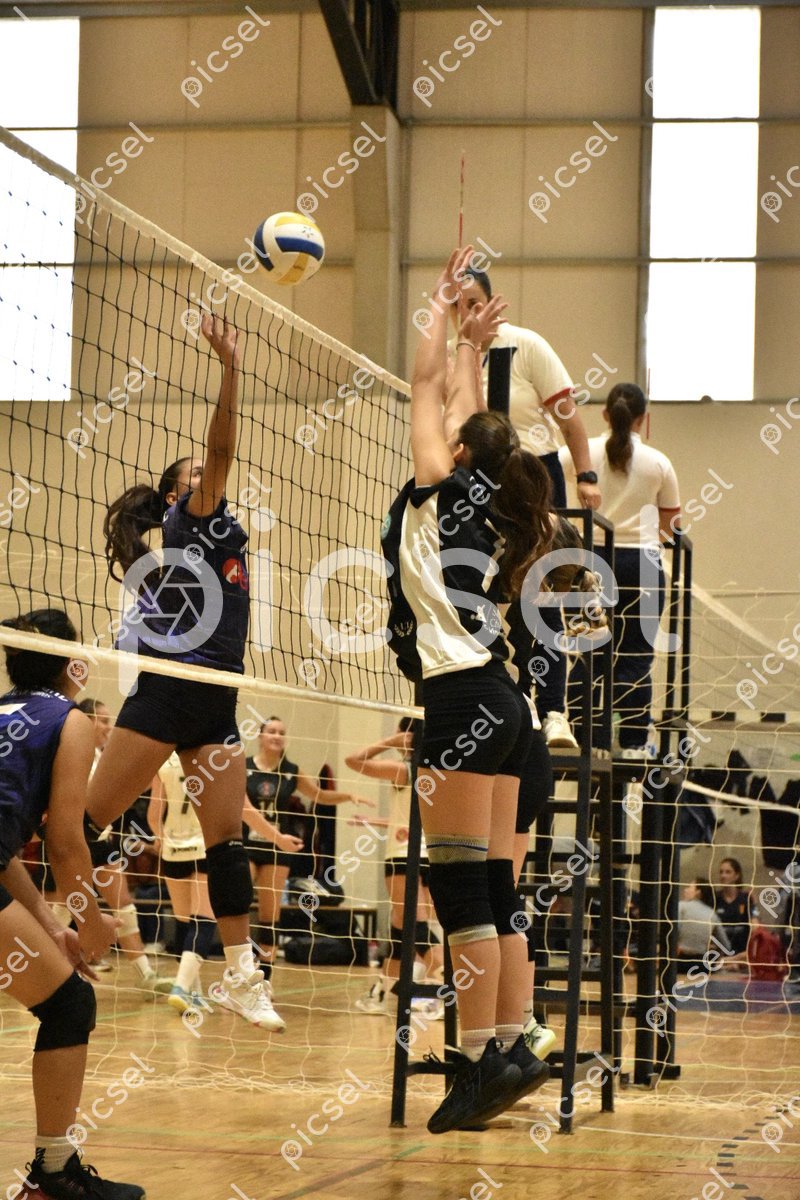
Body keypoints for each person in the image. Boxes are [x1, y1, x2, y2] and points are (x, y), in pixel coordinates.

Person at [382, 246, 552, 1134]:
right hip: (506, 703)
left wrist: (440, 305)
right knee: (493, 885)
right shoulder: (492, 494)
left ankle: (483, 1061)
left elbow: (424, 389)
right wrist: (472, 345)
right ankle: (513, 1045)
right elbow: (463, 409)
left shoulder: (437, 490)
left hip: (459, 699)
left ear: (455, 451)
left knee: (460, 895)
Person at [85, 315, 280, 1030]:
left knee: (227, 843)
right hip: (169, 693)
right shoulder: (192, 520)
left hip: (216, 699)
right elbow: (222, 445)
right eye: (194, 476)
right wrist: (231, 367)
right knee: (83, 821)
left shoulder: (219, 531)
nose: (209, 477)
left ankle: (241, 976)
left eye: (204, 475)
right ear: (176, 497)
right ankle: (52, 922)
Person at [0, 608, 144, 1199]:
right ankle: (54, 1174)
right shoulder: (70, 718)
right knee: (68, 1005)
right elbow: (64, 839)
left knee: (63, 1001)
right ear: (70, 664)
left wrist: (49, 922)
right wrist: (91, 921)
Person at [455, 266, 602, 750]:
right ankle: (508, 704)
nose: (465, 311)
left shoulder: (526, 346)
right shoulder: (455, 355)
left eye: (474, 302)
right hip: (477, 485)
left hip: (532, 479)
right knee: (483, 591)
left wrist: (586, 476)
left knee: (542, 597)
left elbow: (569, 419)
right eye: (456, 304)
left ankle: (555, 711)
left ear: (492, 303)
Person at [560, 382, 681, 758]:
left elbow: (546, 483)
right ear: (643, 419)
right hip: (641, 565)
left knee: (587, 651)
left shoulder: (576, 455)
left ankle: (586, 739)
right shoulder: (659, 462)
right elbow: (670, 528)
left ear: (605, 414)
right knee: (636, 655)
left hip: (589, 561)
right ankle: (632, 744)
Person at [244, 715, 370, 1015]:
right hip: (247, 844)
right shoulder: (244, 766)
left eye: (281, 732)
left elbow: (319, 794)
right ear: (260, 736)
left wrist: (348, 795)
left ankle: (264, 981)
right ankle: (239, 975)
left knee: (269, 916)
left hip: (279, 847)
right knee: (238, 904)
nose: (277, 736)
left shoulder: (290, 770)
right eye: (271, 731)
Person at [46, 697, 172, 991]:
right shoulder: (68, 752)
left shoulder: (104, 757)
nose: (109, 727)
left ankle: (146, 975)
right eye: (103, 721)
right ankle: (50, 970)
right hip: (70, 842)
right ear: (86, 721)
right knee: (64, 907)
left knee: (124, 906)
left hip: (102, 841)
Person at [345, 717, 444, 1018]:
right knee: (401, 929)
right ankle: (380, 992)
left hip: (403, 858)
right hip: (429, 856)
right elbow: (410, 819)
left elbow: (353, 760)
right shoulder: (438, 770)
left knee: (416, 928)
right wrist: (374, 821)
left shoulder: (404, 769)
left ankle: (444, 987)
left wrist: (391, 742)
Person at [714, 857, 760, 965]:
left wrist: (755, 907)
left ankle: (730, 962)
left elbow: (755, 922)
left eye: (728, 872)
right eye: (721, 872)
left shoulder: (746, 898)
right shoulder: (714, 898)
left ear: (736, 876)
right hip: (720, 951)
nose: (723, 875)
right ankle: (729, 963)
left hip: (742, 951)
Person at [677, 879, 731, 967]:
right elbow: (726, 946)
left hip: (679, 962)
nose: (685, 890)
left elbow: (673, 933)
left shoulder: (681, 906)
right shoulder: (712, 914)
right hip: (702, 965)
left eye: (689, 888)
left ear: (698, 892)